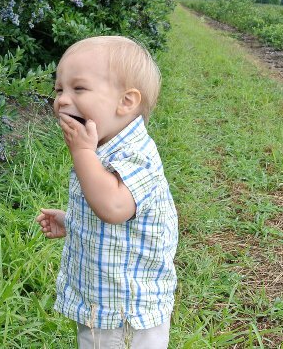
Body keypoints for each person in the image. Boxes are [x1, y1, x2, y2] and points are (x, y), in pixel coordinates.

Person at [36, 35, 178, 348]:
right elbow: (105, 206)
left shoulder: (137, 154)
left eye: (79, 88)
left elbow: (113, 208)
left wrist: (82, 153)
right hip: (104, 302)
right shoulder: (104, 147)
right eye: (59, 89)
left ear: (126, 102)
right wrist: (72, 220)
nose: (61, 99)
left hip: (126, 315)